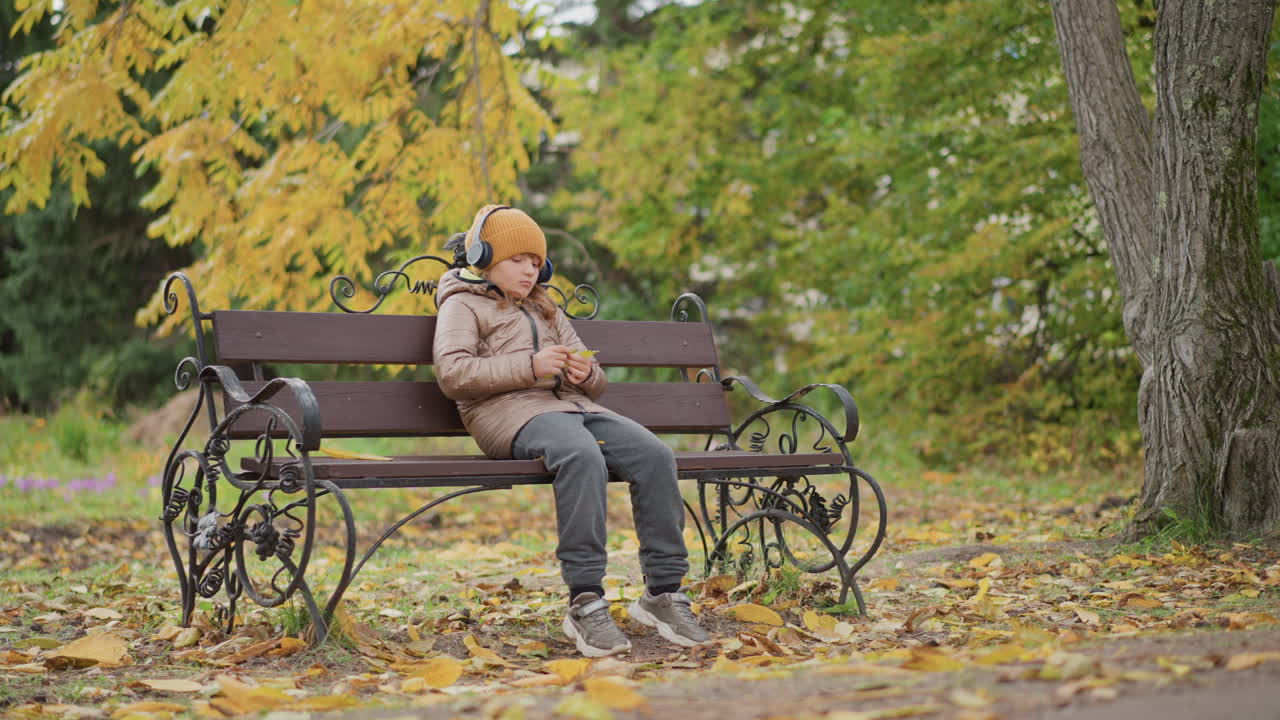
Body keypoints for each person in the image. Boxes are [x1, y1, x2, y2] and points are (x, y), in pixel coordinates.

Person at [432, 204, 711, 657]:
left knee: (655, 455)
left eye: (537, 262)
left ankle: (663, 592)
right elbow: (453, 373)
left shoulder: (546, 306)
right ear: (483, 257)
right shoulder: (462, 304)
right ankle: (585, 599)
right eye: (517, 259)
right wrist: (530, 366)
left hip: (571, 407)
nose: (529, 270)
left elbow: (597, 381)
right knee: (582, 455)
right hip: (507, 414)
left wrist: (585, 374)